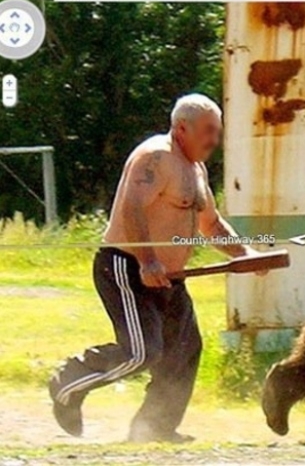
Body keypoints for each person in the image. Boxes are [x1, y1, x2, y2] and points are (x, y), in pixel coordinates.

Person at [49, 93, 266, 443]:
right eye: (208, 131)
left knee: (184, 350)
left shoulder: (195, 168)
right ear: (182, 128)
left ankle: (153, 429)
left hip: (169, 279)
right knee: (141, 352)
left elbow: (212, 224)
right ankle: (69, 380)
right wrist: (148, 260)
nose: (215, 140)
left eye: (217, 131)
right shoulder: (155, 157)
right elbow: (132, 209)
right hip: (127, 268)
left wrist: (245, 254)